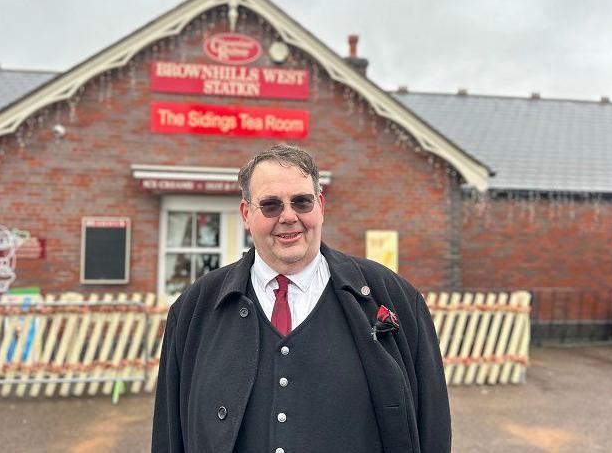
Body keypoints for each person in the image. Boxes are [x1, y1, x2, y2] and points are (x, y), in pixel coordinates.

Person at [152, 144, 451, 452]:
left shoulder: (396, 299)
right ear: (246, 214)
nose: (288, 216)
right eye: (270, 205)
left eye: (301, 202)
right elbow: (169, 434)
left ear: (320, 206)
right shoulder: (193, 309)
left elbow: (433, 428)